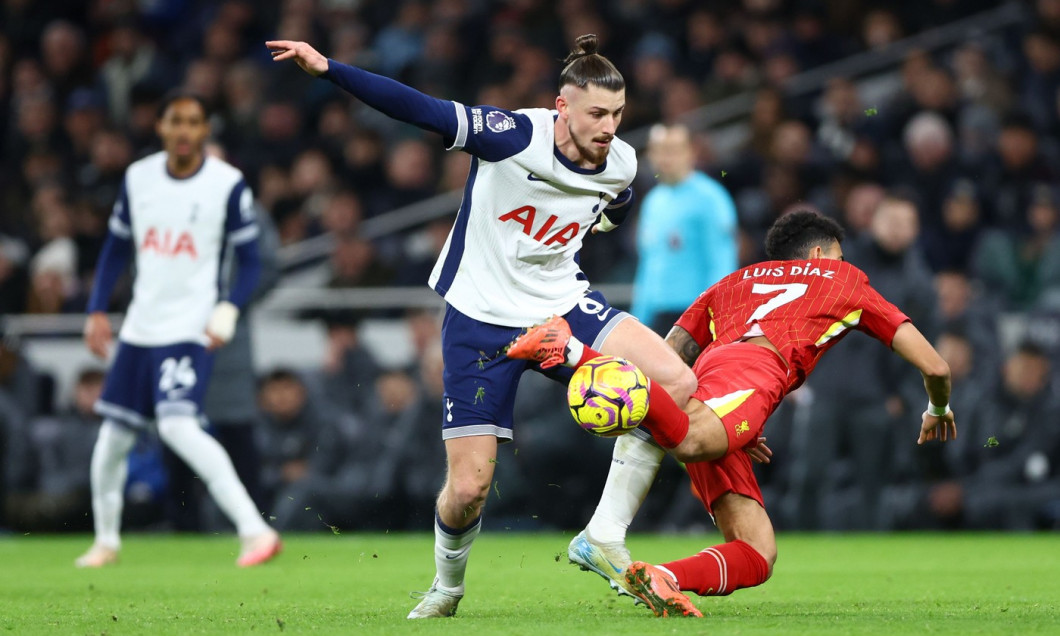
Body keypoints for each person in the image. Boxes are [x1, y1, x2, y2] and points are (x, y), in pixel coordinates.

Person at [266, 34, 697, 618]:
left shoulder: (622, 161)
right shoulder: (514, 135)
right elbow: (421, 108)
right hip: (480, 319)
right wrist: (329, 70)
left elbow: (613, 205)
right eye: (597, 112)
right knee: (468, 489)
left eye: (618, 113)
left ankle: (603, 535)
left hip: (561, 303)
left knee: (675, 382)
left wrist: (596, 231)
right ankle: (447, 586)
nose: (609, 126)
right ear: (562, 106)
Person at [508, 208, 956, 617]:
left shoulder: (732, 281)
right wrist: (937, 406)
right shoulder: (844, 279)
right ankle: (568, 348)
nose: (840, 264)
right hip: (754, 374)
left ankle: (665, 576)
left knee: (758, 553)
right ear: (820, 254)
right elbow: (935, 365)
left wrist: (725, 417)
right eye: (837, 257)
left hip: (715, 383)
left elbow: (669, 356)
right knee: (691, 438)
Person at [75, 90, 281, 568]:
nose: (185, 130)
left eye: (194, 122)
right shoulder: (138, 178)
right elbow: (115, 248)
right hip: (140, 329)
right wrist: (97, 308)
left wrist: (229, 307)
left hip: (189, 328)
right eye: (176, 121)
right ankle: (106, 541)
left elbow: (251, 260)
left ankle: (255, 530)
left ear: (205, 130)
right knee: (112, 439)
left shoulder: (227, 183)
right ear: (161, 127)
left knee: (177, 425)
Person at [631, 123, 738, 335]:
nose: (665, 158)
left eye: (672, 150)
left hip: (694, 315)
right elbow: (648, 265)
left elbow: (721, 261)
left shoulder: (710, 198)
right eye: (659, 150)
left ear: (690, 152)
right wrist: (638, 320)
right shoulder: (653, 202)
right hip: (656, 316)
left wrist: (714, 319)